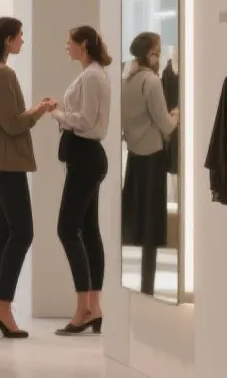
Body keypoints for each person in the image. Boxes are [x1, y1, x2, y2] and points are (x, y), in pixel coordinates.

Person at [0, 17, 57, 338]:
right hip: (5, 162)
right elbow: (12, 124)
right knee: (22, 232)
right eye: (20, 36)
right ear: (7, 40)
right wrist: (39, 110)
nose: (23, 41)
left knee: (3, 230)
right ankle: (4, 307)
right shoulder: (2, 74)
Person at [49, 26, 113, 335]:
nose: (66, 47)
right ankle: (93, 306)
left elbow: (86, 122)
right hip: (86, 157)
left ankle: (84, 307)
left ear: (83, 44)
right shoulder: (93, 73)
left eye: (69, 42)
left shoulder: (91, 76)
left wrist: (58, 114)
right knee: (88, 231)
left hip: (86, 157)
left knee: (67, 228)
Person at [121, 31, 179, 292]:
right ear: (149, 53)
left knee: (136, 221)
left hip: (134, 156)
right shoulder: (152, 82)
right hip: (153, 158)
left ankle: (142, 284)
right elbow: (164, 123)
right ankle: (148, 285)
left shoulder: (127, 78)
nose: (161, 54)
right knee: (152, 228)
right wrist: (176, 116)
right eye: (158, 50)